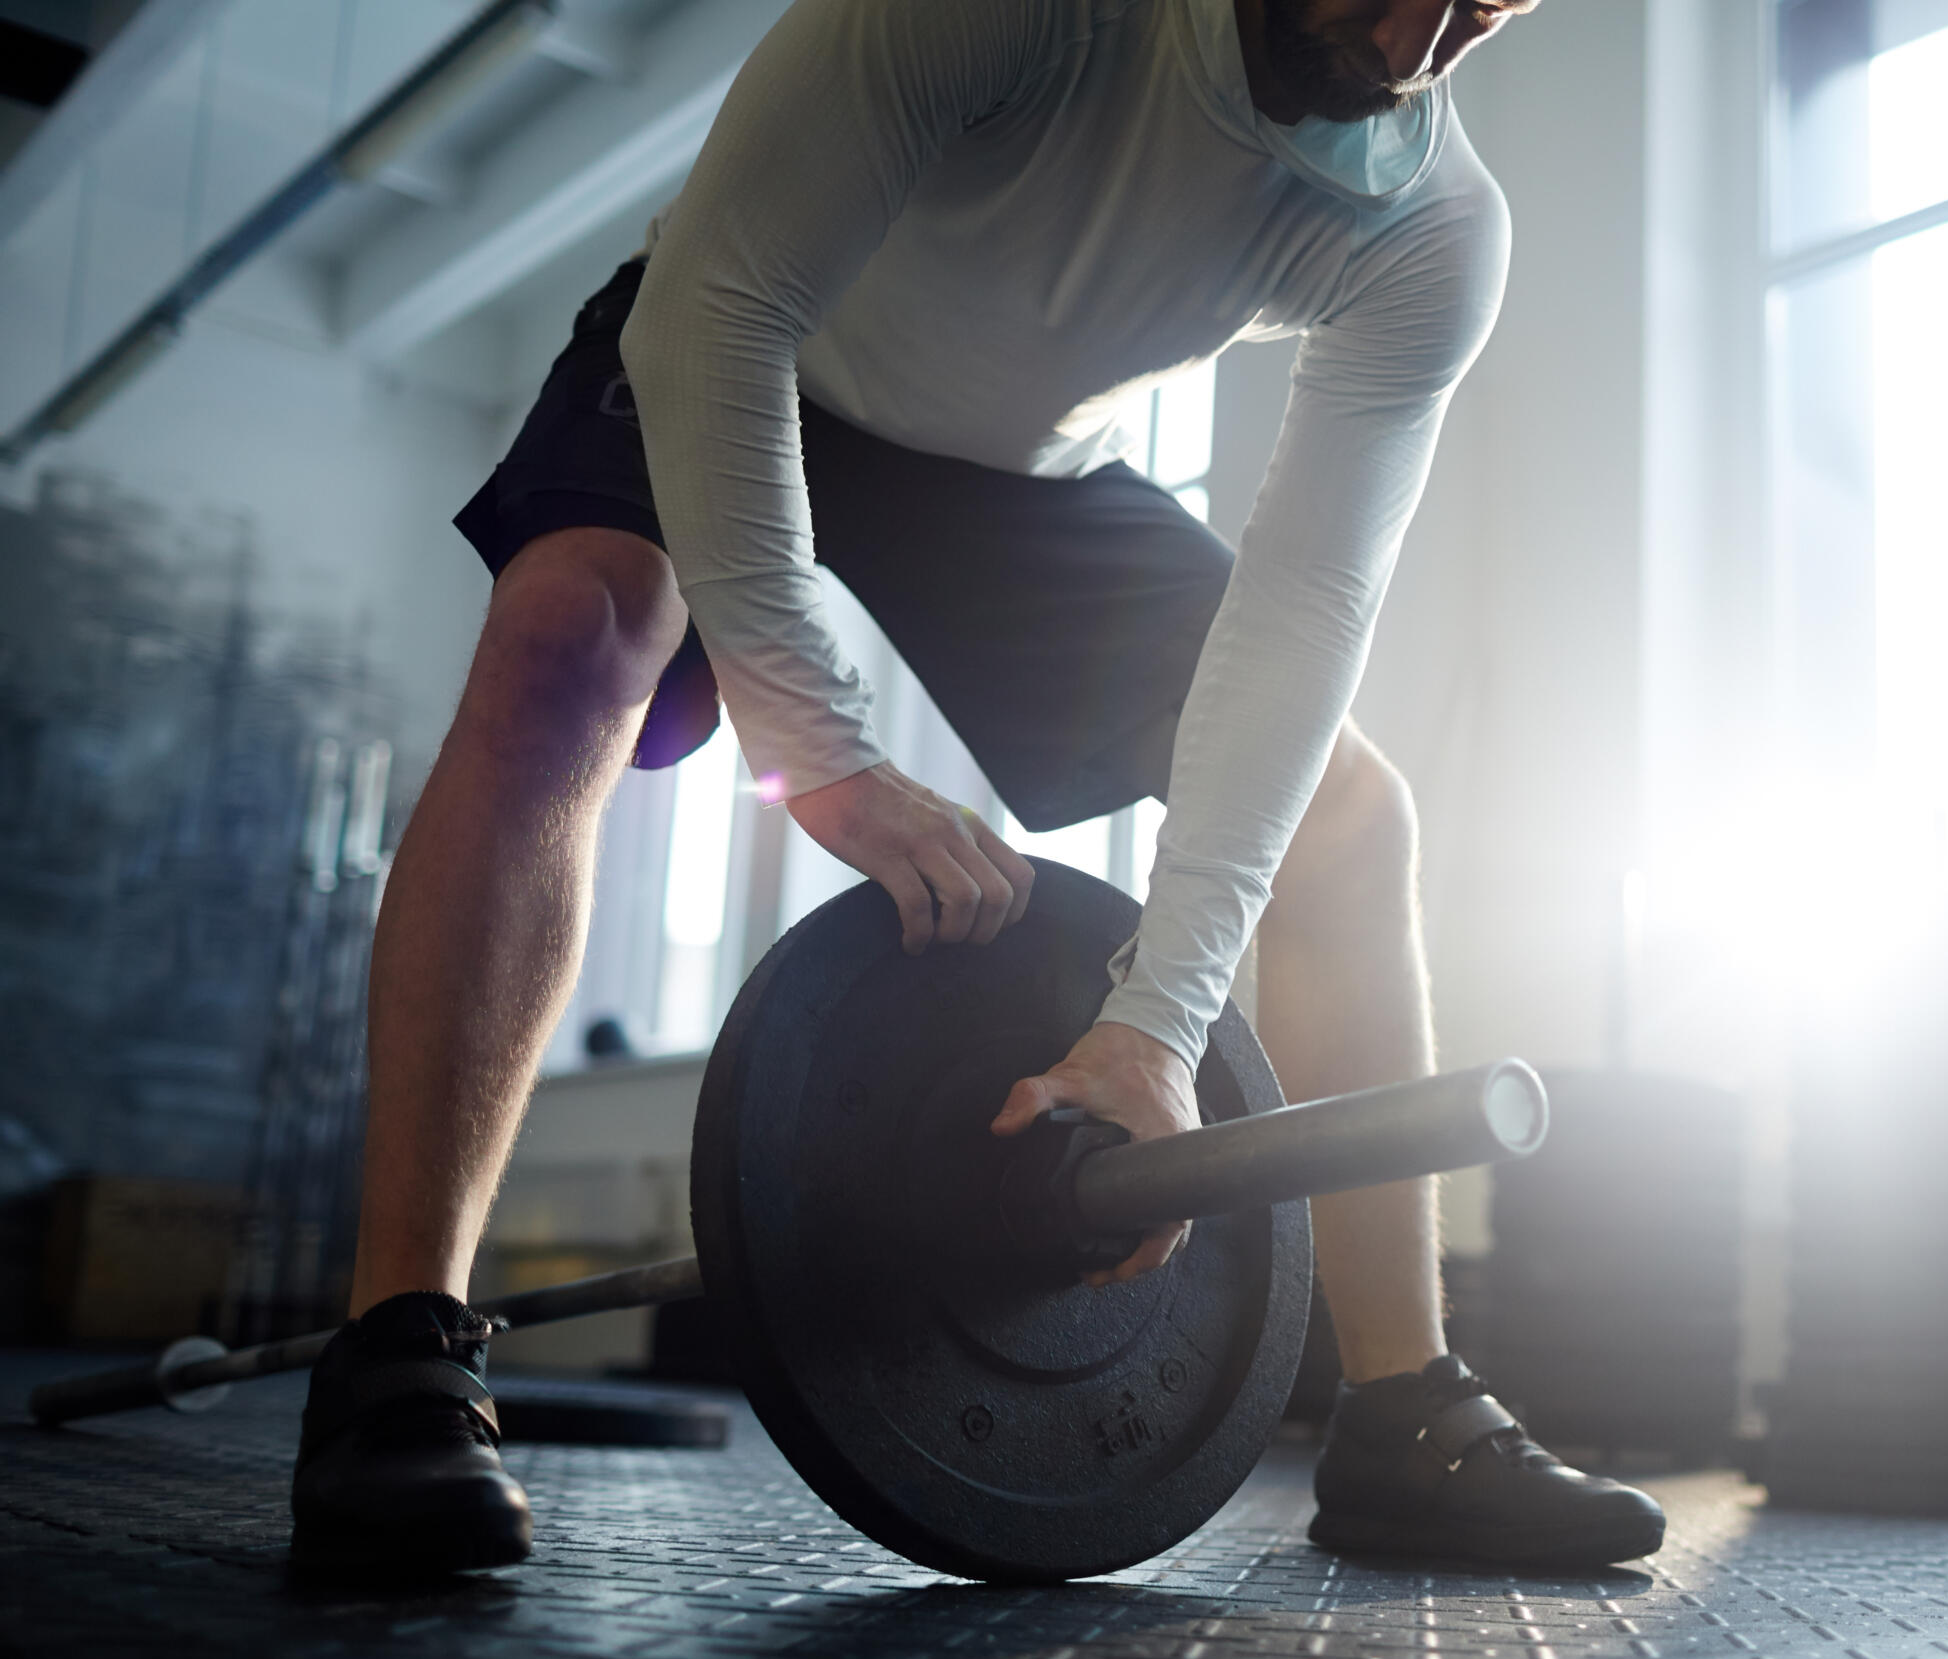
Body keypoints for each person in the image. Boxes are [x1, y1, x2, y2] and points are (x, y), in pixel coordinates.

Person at [291, 0, 1665, 1574]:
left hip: (1018, 471)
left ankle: (1404, 1411)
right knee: (571, 635)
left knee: (1351, 827)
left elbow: (1304, 613)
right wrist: (820, 751)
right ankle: (400, 1343)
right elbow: (718, 308)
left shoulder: (1433, 229)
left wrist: (1157, 1028)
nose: (1410, 41)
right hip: (754, 332)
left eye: (1480, 6)